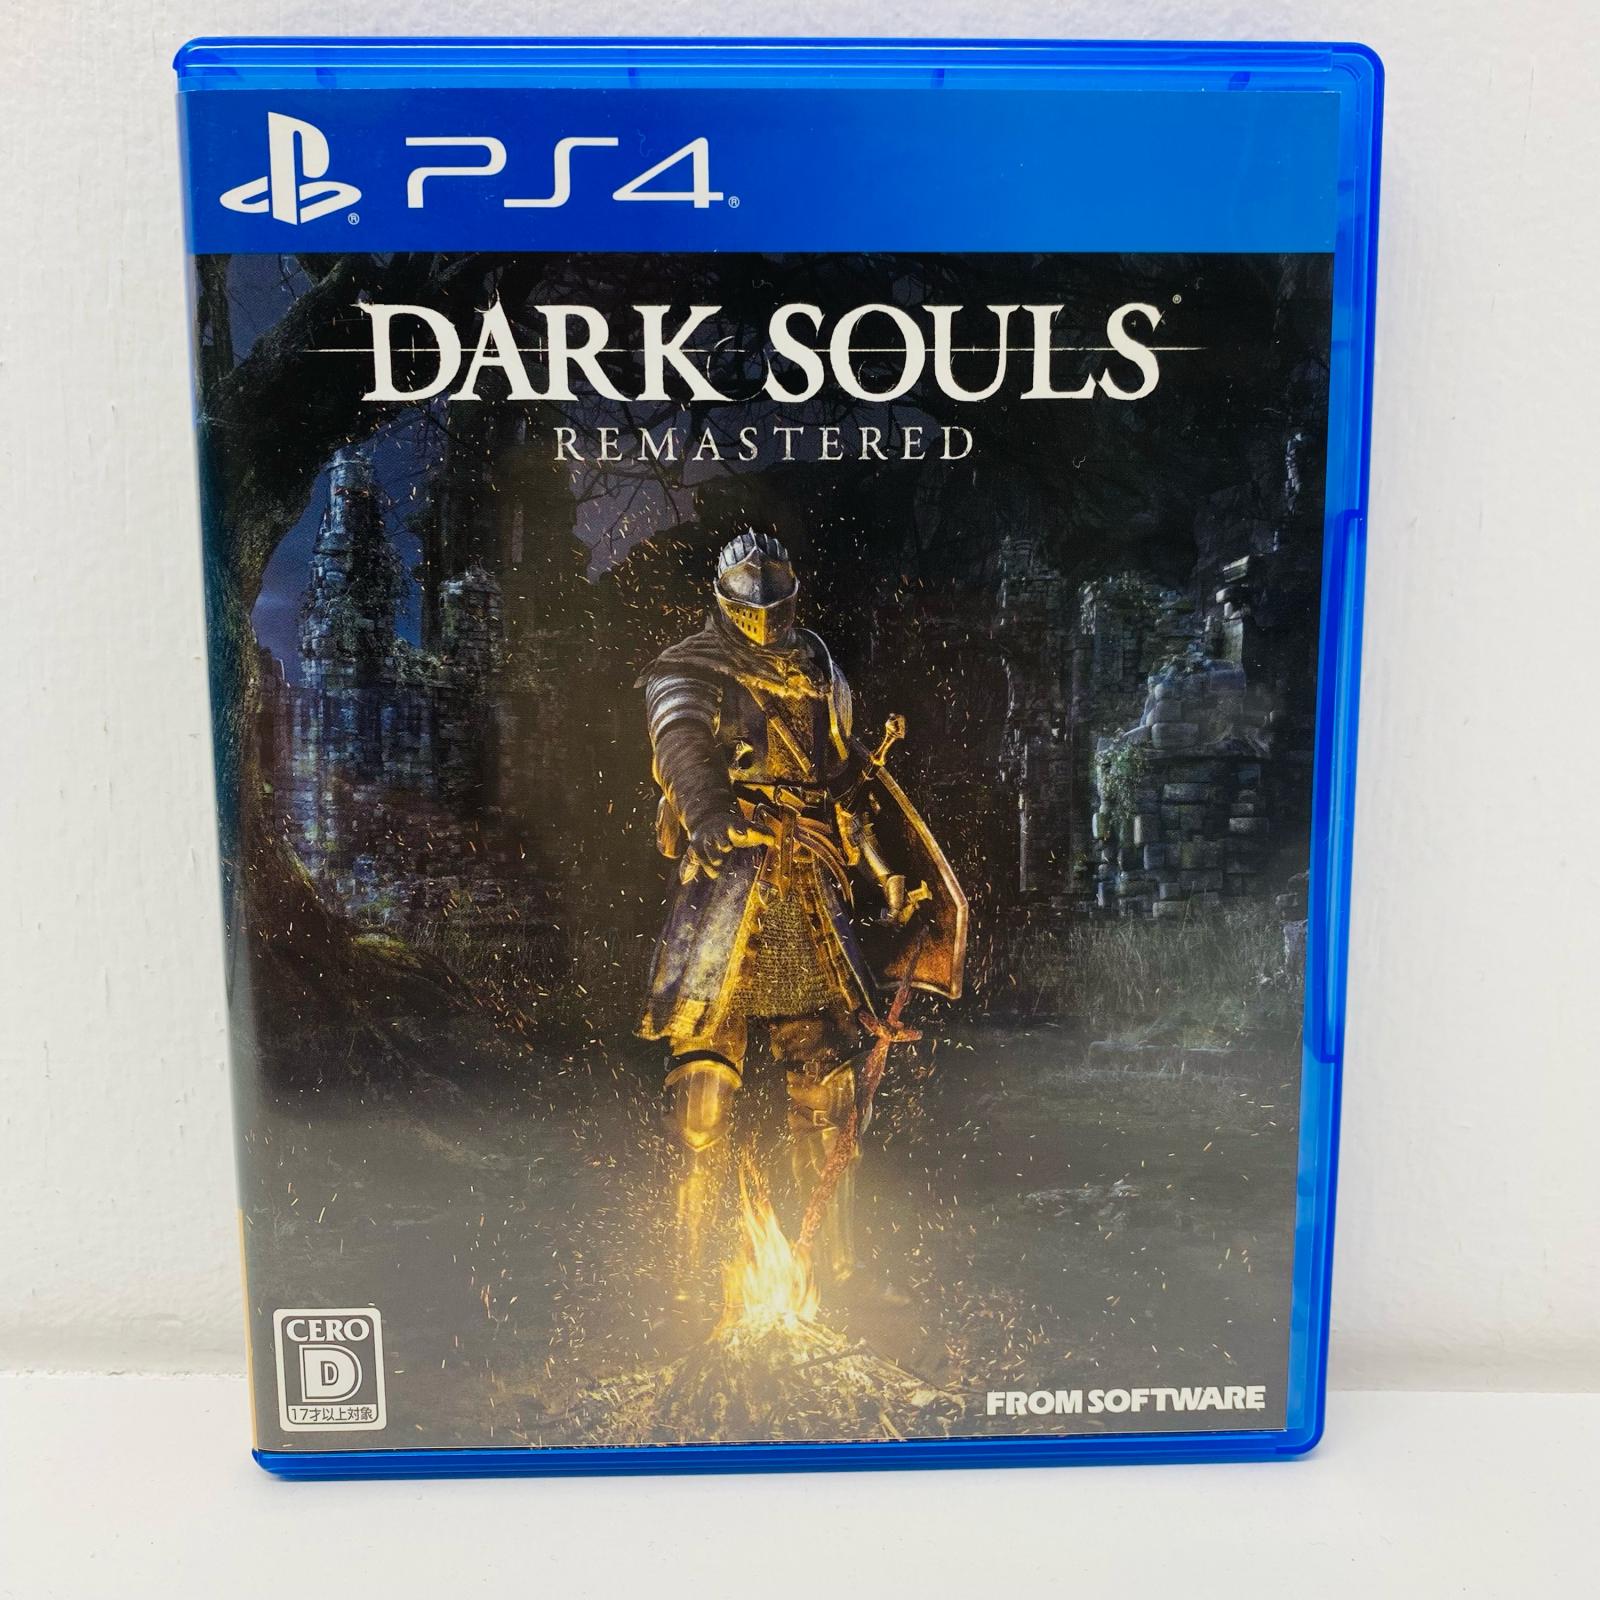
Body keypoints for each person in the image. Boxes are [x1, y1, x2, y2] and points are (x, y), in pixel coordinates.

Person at [636, 530, 965, 1306]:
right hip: (726, 884)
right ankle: (690, 1278)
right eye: (748, 605)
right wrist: (711, 814)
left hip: (809, 885)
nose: (763, 619)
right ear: (722, 602)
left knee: (827, 1090)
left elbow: (844, 787)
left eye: (776, 604)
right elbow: (681, 745)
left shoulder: (819, 668)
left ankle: (831, 1274)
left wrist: (884, 872)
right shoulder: (691, 666)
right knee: (701, 1097)